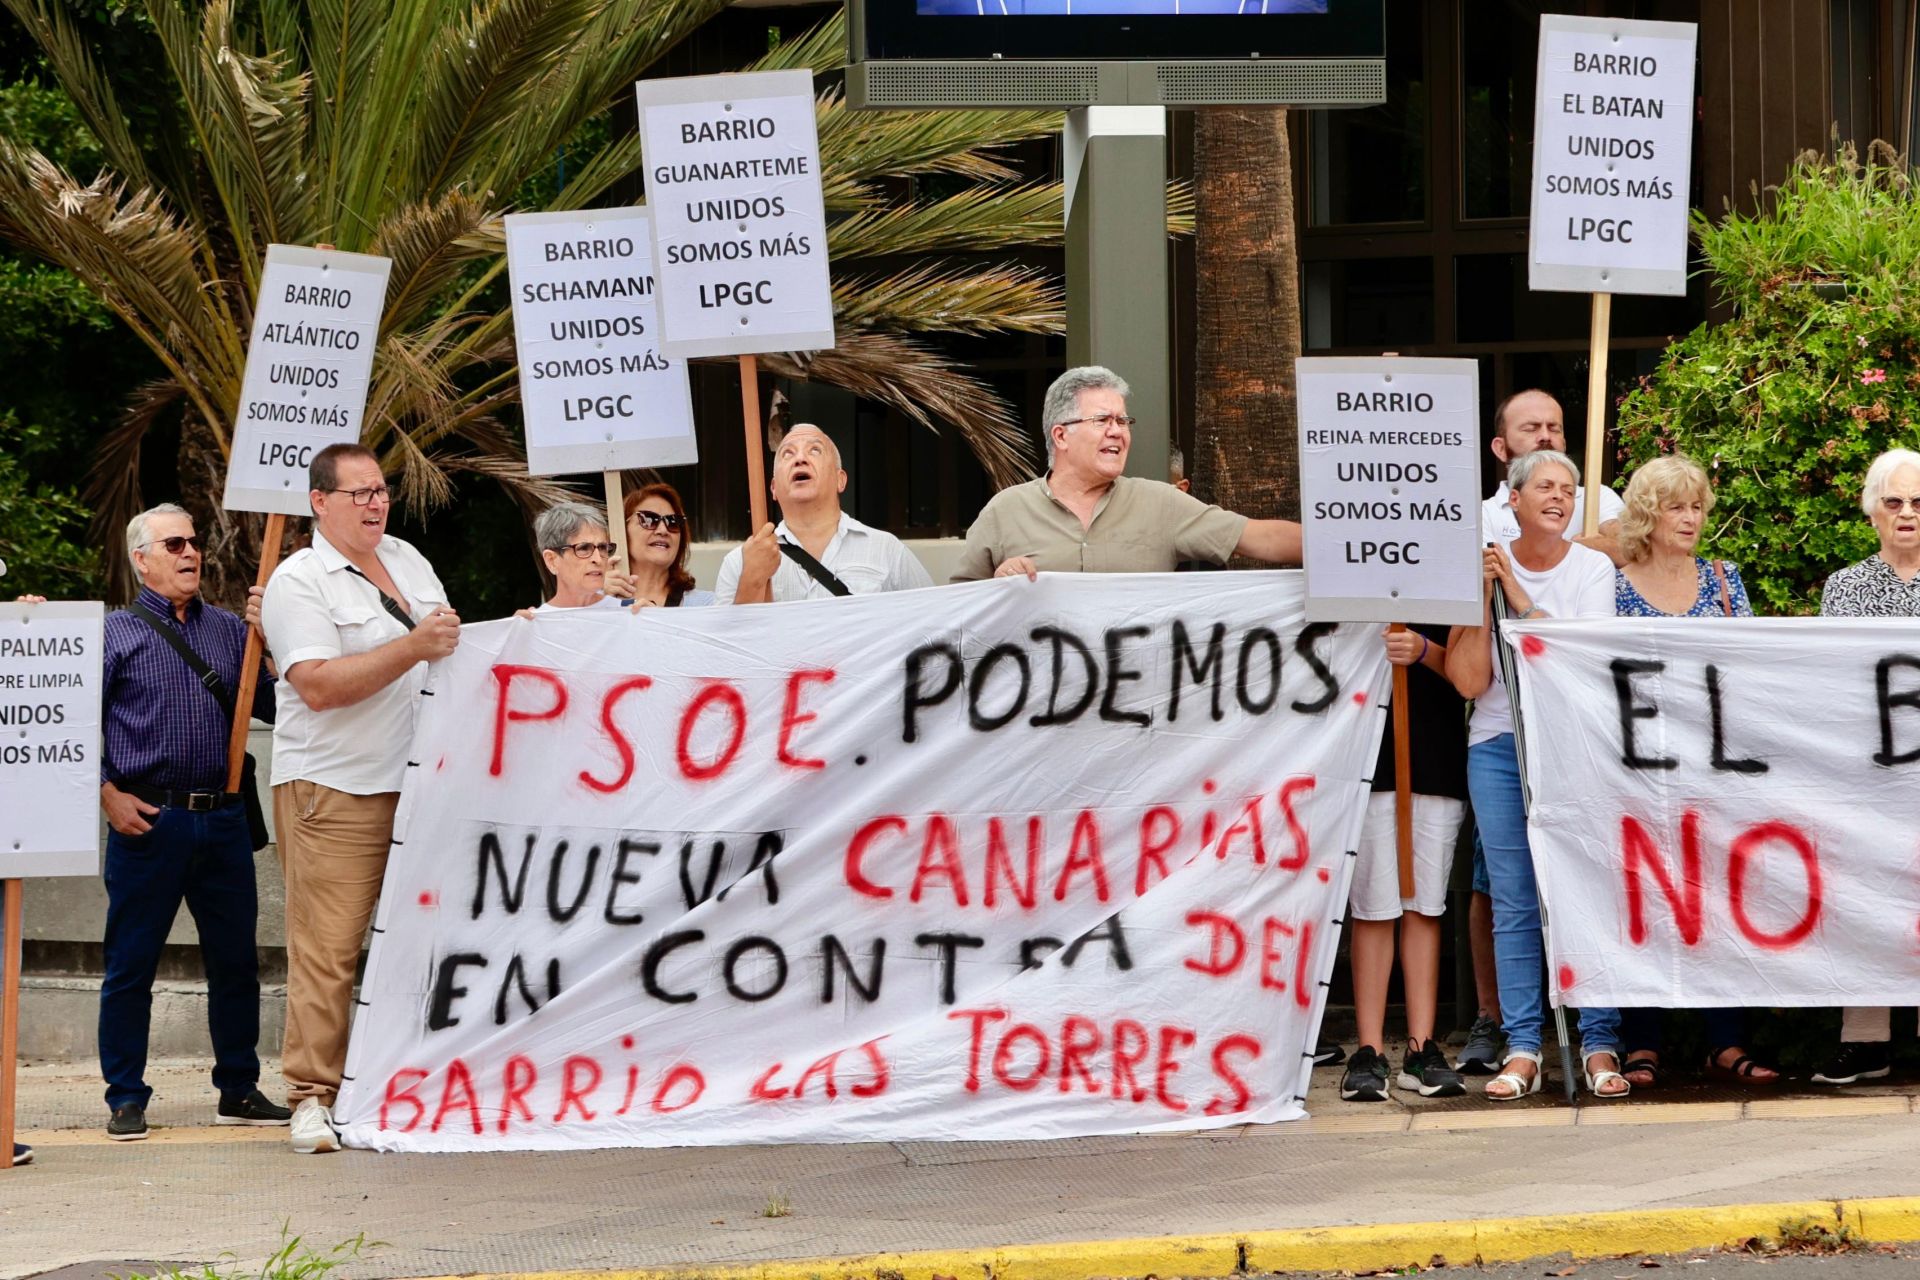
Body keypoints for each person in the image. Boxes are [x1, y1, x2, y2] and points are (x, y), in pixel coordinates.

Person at [260, 442, 459, 1153]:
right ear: (320, 502)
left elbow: (451, 643)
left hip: (420, 785)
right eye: (360, 494)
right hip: (336, 790)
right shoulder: (299, 580)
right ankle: (311, 1096)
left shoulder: (408, 561)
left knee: (414, 945)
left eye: (381, 491)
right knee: (330, 949)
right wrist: (413, 648)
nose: (376, 503)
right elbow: (316, 684)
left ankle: (389, 1083)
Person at [82, 505, 291, 1142]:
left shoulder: (231, 631)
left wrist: (273, 641)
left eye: (194, 542)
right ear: (141, 558)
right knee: (131, 965)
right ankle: (126, 1095)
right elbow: (66, 720)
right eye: (174, 544)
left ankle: (238, 1087)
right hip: (148, 820)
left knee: (235, 963)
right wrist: (105, 793)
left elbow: (279, 709)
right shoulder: (112, 634)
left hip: (222, 818)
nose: (190, 552)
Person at [1447, 449, 1628, 1100]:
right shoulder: (1487, 569)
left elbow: (1575, 657)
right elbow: (1470, 679)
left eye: (1570, 489)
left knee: (1583, 888)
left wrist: (1518, 593)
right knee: (1515, 900)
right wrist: (1483, 595)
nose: (1559, 496)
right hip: (1500, 744)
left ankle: (1599, 1040)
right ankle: (1524, 1046)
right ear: (1513, 500)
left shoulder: (1594, 567)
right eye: (1545, 486)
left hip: (1574, 743)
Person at [1608, 454, 1777, 1087]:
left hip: (1717, 771)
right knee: (1646, 900)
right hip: (1641, 771)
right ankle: (1642, 1041)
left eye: (1697, 506)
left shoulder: (1726, 580)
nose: (1690, 517)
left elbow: (1753, 669)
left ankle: (1725, 1041)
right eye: (1676, 506)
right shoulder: (1615, 586)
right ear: (1648, 515)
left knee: (1722, 900)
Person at [951, 366, 1302, 581]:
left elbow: (1261, 538)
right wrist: (998, 584)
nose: (1117, 431)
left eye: (1122, 420)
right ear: (1061, 436)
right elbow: (956, 612)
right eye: (1102, 420)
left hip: (1139, 698)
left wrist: (1349, 545)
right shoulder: (1005, 511)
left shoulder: (1161, 503)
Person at [1813, 447, 1920, 1085]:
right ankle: (1866, 1039)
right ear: (1872, 511)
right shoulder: (1846, 587)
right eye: (1895, 502)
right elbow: (1832, 681)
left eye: (1919, 503)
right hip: (1871, 772)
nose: (1907, 513)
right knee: (1868, 897)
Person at [1339, 623, 1468, 1102]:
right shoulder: (1355, 569)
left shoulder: (1454, 574)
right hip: (1368, 756)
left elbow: (1472, 678)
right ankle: (1369, 1049)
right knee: (1373, 906)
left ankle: (1421, 1047)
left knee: (1425, 906)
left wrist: (1423, 651)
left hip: (1435, 756)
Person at [716, 424, 934, 604]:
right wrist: (752, 580)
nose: (800, 459)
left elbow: (933, 628)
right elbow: (723, 650)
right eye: (788, 453)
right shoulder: (740, 562)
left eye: (814, 450)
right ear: (773, 488)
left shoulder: (886, 550)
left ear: (840, 479)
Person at [1480, 389, 1624, 560]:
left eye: (1554, 429)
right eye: (1530, 429)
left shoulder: (1596, 498)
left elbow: (1633, 550)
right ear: (1501, 448)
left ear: (1563, 443)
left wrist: (1589, 548)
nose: (1545, 436)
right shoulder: (1482, 515)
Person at [609, 483, 715, 608]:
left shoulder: (708, 605)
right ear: (622, 530)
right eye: (648, 520)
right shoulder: (593, 602)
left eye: (673, 522)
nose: (663, 530)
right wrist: (601, 603)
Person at [520, 502, 625, 615]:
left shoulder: (630, 613)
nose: (598, 559)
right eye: (584, 548)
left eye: (602, 547)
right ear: (552, 561)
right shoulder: (534, 625)